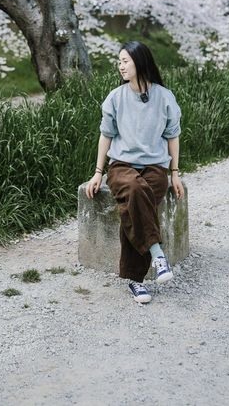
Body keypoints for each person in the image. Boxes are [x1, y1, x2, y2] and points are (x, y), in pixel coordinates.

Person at [85, 40, 184, 304]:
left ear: (140, 62)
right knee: (136, 190)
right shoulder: (115, 98)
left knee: (135, 205)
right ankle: (157, 254)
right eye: (119, 61)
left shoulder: (164, 97)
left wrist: (174, 172)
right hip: (121, 167)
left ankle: (134, 281)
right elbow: (105, 136)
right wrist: (98, 173)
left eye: (125, 61)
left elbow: (172, 136)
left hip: (155, 167)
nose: (120, 66)